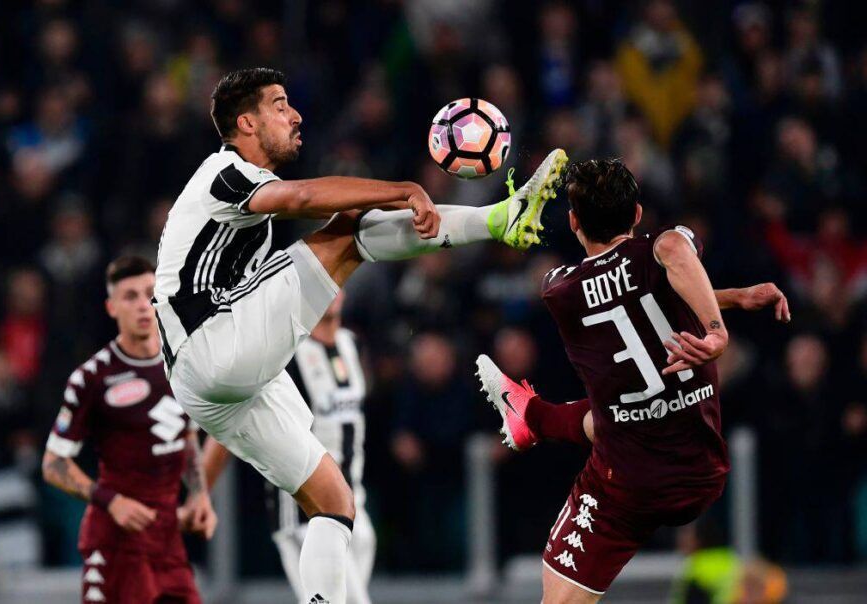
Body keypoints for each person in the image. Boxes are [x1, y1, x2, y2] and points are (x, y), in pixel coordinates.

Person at [153, 66, 567, 603]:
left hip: (210, 383)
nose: (295, 114)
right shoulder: (223, 172)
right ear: (246, 123)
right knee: (348, 230)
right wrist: (403, 190)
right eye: (280, 105)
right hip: (210, 342)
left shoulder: (244, 209)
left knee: (333, 501)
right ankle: (499, 219)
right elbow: (301, 200)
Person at [475, 159, 790, 603]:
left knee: (559, 596)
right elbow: (669, 264)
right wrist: (722, 319)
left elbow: (636, 297)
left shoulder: (559, 291)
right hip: (701, 474)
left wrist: (721, 318)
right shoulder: (668, 246)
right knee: (620, 412)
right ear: (638, 213)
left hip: (626, 485)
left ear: (573, 222)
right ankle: (532, 416)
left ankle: (534, 416)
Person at [42, 256, 216, 604]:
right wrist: (112, 501)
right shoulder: (92, 378)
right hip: (115, 543)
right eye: (130, 296)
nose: (141, 305)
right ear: (111, 307)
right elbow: (53, 464)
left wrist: (199, 495)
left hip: (167, 542)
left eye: (149, 294)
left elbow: (184, 435)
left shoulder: (183, 366)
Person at [201, 292, 376, 604]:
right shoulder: (286, 353)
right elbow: (235, 415)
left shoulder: (352, 345)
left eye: (337, 282)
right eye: (323, 283)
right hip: (304, 512)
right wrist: (199, 491)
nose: (330, 291)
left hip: (355, 505)